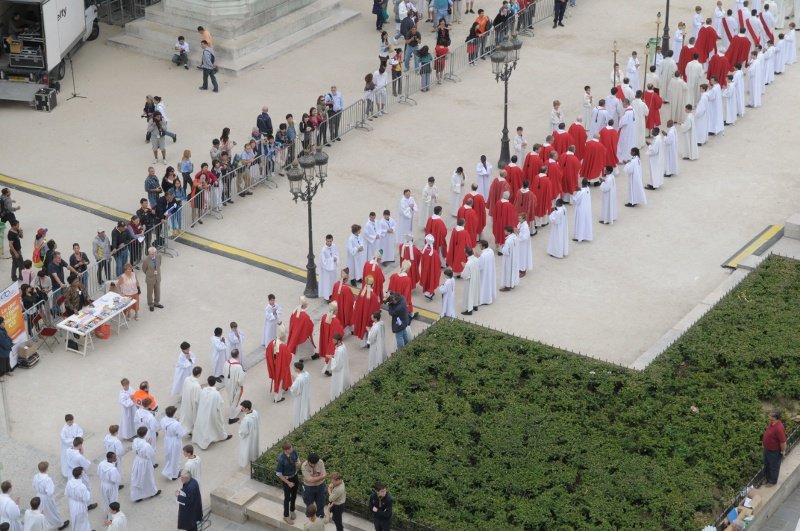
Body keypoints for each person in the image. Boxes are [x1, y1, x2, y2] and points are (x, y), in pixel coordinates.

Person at [192, 376, 232, 449]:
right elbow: (220, 403)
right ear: (215, 383)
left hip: (203, 411)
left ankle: (200, 439)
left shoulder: (203, 390)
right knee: (218, 424)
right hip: (213, 412)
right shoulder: (216, 393)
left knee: (204, 425)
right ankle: (223, 436)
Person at [32, 462, 68, 530]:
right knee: (53, 511)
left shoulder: (36, 476)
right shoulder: (47, 479)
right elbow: (50, 492)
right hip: (46, 498)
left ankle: (45, 523)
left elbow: (33, 485)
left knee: (43, 511)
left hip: (39, 496)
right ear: (46, 469)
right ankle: (60, 524)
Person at [266, 325, 292, 403]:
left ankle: (285, 387)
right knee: (279, 380)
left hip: (274, 364)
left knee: (279, 378)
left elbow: (267, 353)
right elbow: (289, 356)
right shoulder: (283, 346)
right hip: (280, 365)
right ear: (282, 336)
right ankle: (277, 398)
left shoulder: (272, 342)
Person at [276, 443, 300, 524]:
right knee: (287, 498)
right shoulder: (281, 459)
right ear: (286, 450)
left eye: (292, 448)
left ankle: (292, 510)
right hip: (287, 479)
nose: (292, 449)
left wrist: (298, 464)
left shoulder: (293, 452)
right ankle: (286, 516)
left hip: (294, 476)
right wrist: (288, 483)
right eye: (290, 449)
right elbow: (279, 474)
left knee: (294, 495)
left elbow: (297, 459)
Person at [763, 409, 787, 486]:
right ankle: (768, 479)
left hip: (774, 451)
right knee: (767, 465)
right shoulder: (771, 423)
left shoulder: (779, 428)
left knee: (774, 467)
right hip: (767, 449)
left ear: (775, 417)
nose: (769, 416)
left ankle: (772, 482)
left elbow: (782, 441)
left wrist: (782, 451)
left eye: (770, 415)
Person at [160, 406, 185, 480]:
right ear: (173, 413)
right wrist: (178, 422)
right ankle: (174, 474)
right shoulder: (176, 424)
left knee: (169, 455)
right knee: (175, 457)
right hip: (175, 441)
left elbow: (163, 426)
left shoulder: (163, 420)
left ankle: (169, 469)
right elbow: (180, 434)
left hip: (167, 439)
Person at [300, 453, 327, 520]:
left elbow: (324, 475)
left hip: (320, 486)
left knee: (321, 503)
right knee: (309, 504)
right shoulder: (304, 466)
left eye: (315, 463)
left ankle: (320, 516)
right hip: (309, 487)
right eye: (311, 463)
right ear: (308, 461)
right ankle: (311, 517)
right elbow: (310, 480)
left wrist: (313, 478)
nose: (313, 465)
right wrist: (319, 477)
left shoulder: (320, 462)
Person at [97, 452, 121, 519]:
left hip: (103, 485)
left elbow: (98, 473)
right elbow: (115, 480)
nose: (116, 458)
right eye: (114, 457)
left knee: (106, 500)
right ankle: (112, 517)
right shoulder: (113, 470)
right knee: (113, 500)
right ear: (110, 459)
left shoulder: (101, 464)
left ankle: (109, 513)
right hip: (111, 486)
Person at [179, 366, 202, 434]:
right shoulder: (196, 386)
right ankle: (193, 430)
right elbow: (198, 398)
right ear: (198, 374)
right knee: (193, 416)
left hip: (186, 400)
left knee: (187, 415)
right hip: (192, 403)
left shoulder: (187, 379)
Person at [224, 349, 245, 423]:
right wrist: (240, 385)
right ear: (238, 355)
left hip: (227, 384)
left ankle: (238, 409)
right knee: (234, 401)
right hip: (235, 386)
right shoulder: (238, 366)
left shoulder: (226, 362)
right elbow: (240, 380)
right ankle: (231, 418)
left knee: (231, 399)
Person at [60, 415, 84, 479]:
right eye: (69, 421)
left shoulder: (75, 425)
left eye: (72, 421)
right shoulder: (64, 430)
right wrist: (73, 441)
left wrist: (77, 439)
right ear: (66, 421)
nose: (71, 422)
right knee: (67, 459)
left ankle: (79, 470)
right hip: (68, 447)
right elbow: (64, 439)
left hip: (76, 445)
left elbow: (80, 431)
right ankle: (67, 473)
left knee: (78, 457)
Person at [289, 361, 311, 428]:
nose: (294, 369)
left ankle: (298, 423)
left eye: (295, 368)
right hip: (306, 394)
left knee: (298, 409)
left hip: (300, 397)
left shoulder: (299, 379)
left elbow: (294, 390)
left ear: (298, 369)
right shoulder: (307, 374)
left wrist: (293, 381)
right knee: (305, 407)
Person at [140, 247, 162, 312]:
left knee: (157, 291)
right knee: (150, 292)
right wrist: (149, 274)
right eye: (150, 254)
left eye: (153, 254)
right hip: (150, 278)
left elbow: (159, 265)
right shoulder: (146, 260)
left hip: (157, 277)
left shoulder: (159, 257)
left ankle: (156, 302)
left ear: (155, 253)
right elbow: (144, 269)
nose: (151, 255)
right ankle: (150, 304)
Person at [330, 334, 351, 399]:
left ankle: (337, 395)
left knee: (339, 381)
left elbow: (337, 364)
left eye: (334, 340)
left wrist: (331, 359)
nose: (332, 341)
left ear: (338, 341)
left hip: (340, 370)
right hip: (344, 367)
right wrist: (334, 356)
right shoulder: (343, 345)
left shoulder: (339, 350)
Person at [319, 235, 339, 301]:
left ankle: (332, 294)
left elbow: (336, 254)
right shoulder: (323, 250)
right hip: (327, 270)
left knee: (333, 282)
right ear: (326, 240)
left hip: (333, 269)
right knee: (327, 283)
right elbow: (323, 262)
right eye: (328, 241)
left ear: (332, 240)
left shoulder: (334, 246)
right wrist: (332, 259)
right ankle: (327, 297)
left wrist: (336, 258)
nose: (329, 243)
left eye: (330, 241)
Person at [461, 247, 480, 315]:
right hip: (476, 279)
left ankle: (469, 310)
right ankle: (475, 306)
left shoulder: (468, 263)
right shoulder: (476, 259)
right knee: (475, 292)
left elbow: (465, 275)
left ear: (466, 254)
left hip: (469, 282)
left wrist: (464, 266)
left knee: (468, 294)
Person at [0, 317, 13, 382]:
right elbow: (3, 342)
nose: (4, 323)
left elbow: (7, 337)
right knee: (2, 363)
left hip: (6, 350)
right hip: (2, 351)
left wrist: (11, 341)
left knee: (7, 361)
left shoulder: (3, 329)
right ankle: (1, 375)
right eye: (2, 322)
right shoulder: (0, 333)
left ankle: (8, 370)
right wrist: (9, 345)